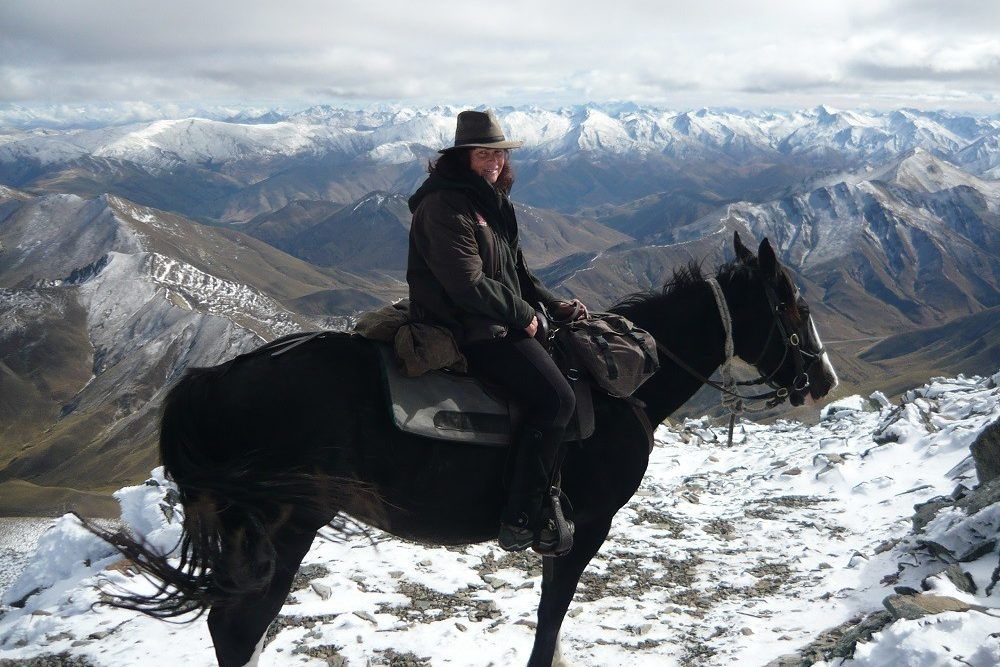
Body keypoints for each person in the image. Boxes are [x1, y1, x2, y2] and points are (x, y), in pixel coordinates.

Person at [406, 109, 588, 555]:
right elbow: (465, 283)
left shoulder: (489, 202)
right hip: (466, 323)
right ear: (461, 157)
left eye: (499, 155)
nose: (493, 163)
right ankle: (520, 515)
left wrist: (551, 303)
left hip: (496, 314)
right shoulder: (444, 205)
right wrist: (524, 314)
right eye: (483, 153)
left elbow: (516, 273)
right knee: (557, 398)